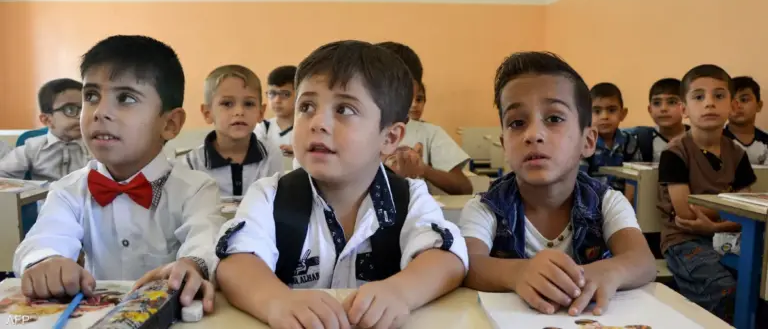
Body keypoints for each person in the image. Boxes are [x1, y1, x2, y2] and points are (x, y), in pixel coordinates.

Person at [215, 40, 467, 329]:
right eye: (306, 106)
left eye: (344, 109)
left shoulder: (409, 197)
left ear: (389, 138)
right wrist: (276, 300)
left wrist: (400, 292)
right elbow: (235, 260)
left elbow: (446, 257)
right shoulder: (270, 196)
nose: (318, 123)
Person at [13, 35, 225, 315]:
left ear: (170, 124)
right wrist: (46, 260)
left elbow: (206, 239)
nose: (100, 112)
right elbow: (45, 236)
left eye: (125, 98)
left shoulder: (196, 189)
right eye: (91, 96)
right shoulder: (69, 190)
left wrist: (192, 264)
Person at [460, 51, 655, 316]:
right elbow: (467, 263)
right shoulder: (486, 207)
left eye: (554, 118)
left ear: (588, 141)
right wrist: (518, 272)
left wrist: (610, 271)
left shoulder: (606, 201)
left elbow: (643, 261)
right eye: (517, 123)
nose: (533, 135)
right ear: (505, 145)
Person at [658, 65, 756, 321]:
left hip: (730, 237)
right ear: (684, 110)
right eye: (699, 97)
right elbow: (686, 213)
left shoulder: (737, 153)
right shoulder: (675, 153)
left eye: (719, 96)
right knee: (725, 290)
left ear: (732, 106)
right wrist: (730, 218)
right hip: (684, 240)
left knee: (759, 282)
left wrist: (716, 226)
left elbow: (748, 210)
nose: (709, 103)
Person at [377, 41, 472, 195]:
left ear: (416, 89)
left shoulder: (429, 133)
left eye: (405, 88)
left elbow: (464, 187)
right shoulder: (355, 128)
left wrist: (423, 169)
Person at [185, 65, 283, 198]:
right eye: (227, 104)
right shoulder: (192, 163)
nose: (239, 112)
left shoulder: (271, 156)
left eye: (248, 104)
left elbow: (277, 203)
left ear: (260, 113)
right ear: (207, 113)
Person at [0, 78, 89, 181]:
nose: (81, 116)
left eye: (85, 108)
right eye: (70, 109)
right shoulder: (32, 148)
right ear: (47, 120)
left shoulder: (95, 147)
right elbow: (3, 173)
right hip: (43, 191)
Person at [583, 83, 641, 193]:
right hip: (592, 197)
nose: (604, 116)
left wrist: (625, 203)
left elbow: (634, 178)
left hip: (622, 199)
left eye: (611, 110)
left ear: (622, 114)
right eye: (597, 111)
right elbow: (580, 179)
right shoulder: (584, 143)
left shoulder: (630, 142)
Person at [630, 78, 688, 162]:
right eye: (657, 103)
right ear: (650, 110)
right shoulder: (638, 141)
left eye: (672, 102)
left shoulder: (698, 139)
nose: (663, 108)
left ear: (685, 108)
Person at [723, 76, 767, 165]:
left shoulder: (765, 140)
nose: (738, 106)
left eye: (744, 100)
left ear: (759, 106)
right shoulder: (714, 140)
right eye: (731, 101)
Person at [255, 65, 297, 156]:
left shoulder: (308, 129)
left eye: (285, 94)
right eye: (272, 93)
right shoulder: (263, 127)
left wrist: (300, 153)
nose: (277, 100)